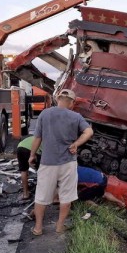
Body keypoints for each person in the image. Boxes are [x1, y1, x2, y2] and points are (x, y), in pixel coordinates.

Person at [29, 89, 93, 235]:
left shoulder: (45, 114)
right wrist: (76, 143)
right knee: (66, 196)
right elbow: (89, 132)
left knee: (41, 196)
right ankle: (59, 226)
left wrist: (32, 155)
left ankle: (38, 228)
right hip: (68, 163)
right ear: (71, 102)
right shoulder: (76, 116)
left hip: (47, 162)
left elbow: (37, 138)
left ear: (58, 99)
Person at [17, 135, 41, 201]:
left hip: (20, 147)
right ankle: (41, 194)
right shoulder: (45, 140)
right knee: (42, 171)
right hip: (33, 150)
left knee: (23, 170)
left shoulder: (33, 137)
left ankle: (25, 194)